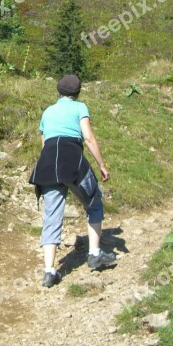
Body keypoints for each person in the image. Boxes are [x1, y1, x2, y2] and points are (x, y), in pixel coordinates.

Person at [29, 74, 116, 288]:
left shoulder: (48, 111)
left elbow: (44, 142)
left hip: (47, 164)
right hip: (73, 161)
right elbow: (88, 137)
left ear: (57, 91)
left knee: (51, 216)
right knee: (94, 201)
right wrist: (102, 165)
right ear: (77, 93)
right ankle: (94, 254)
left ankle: (49, 272)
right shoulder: (80, 107)